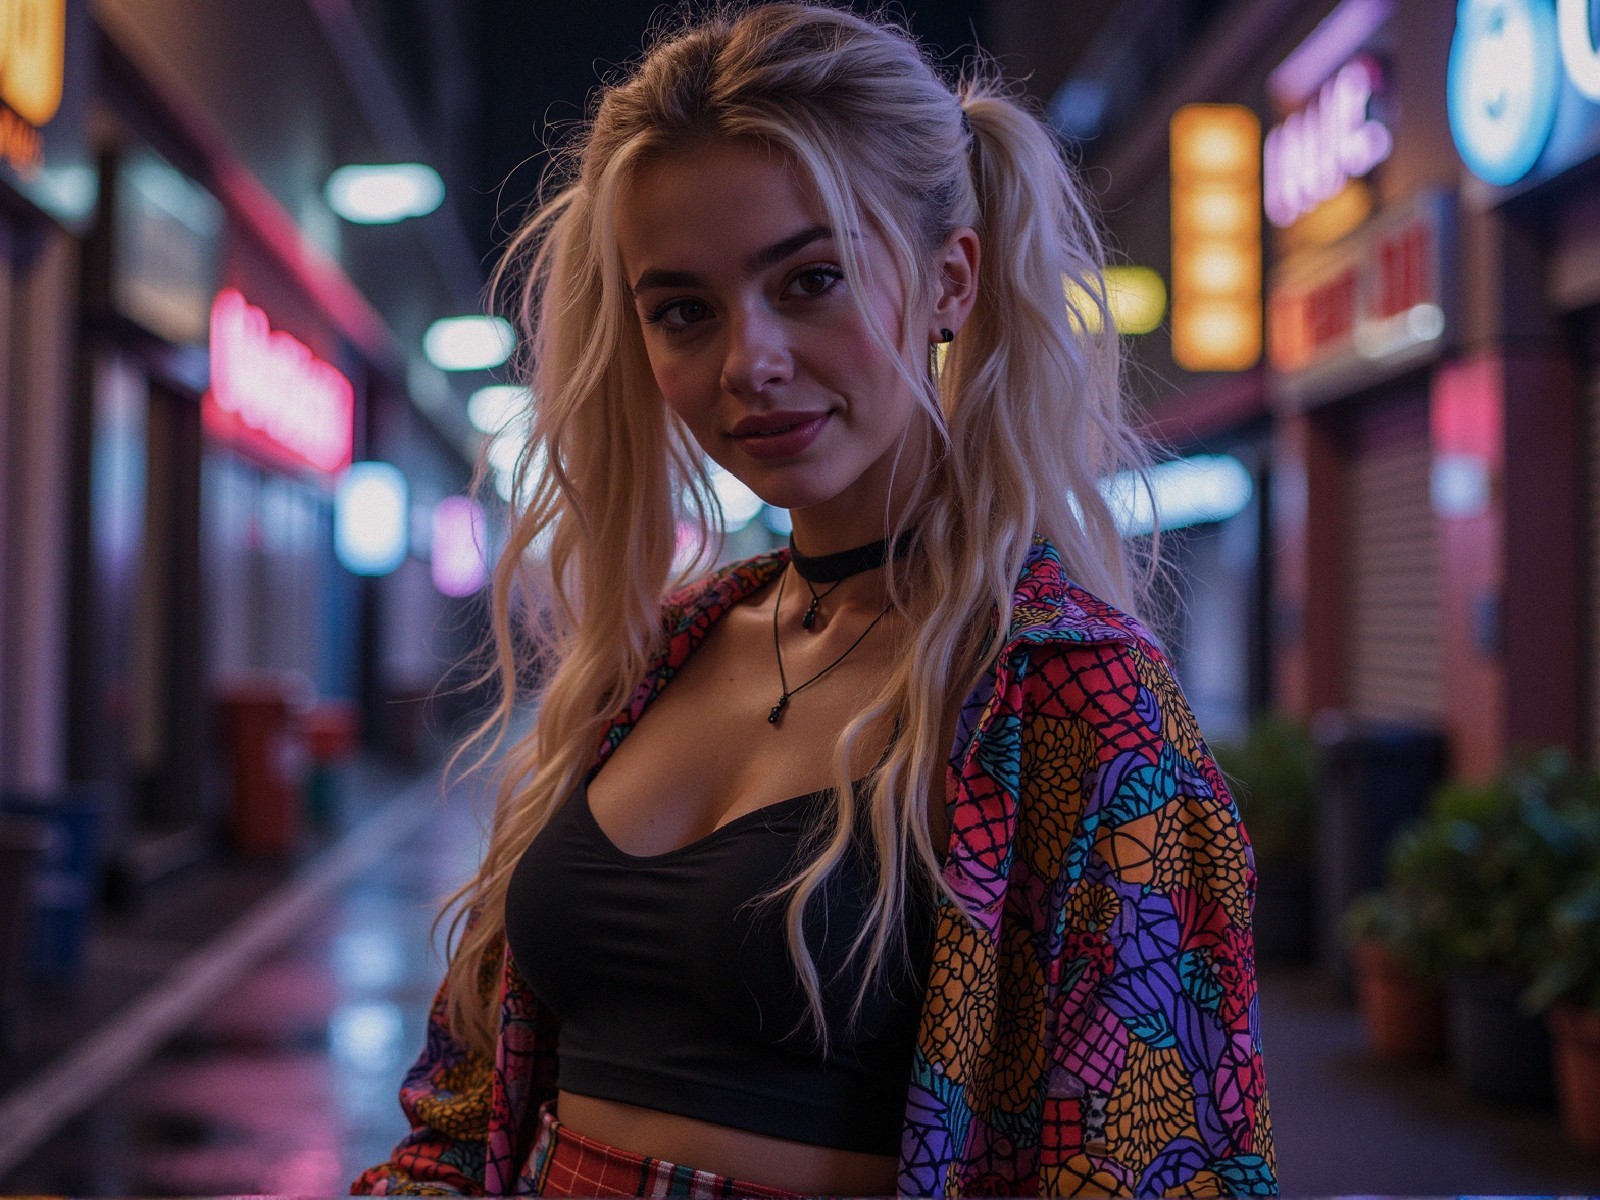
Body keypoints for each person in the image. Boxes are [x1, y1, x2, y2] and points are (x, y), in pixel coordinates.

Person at [353, 3, 1275, 1196]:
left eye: (811, 279)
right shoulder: (649, 660)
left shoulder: (1072, 701)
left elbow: (1164, 1161)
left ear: (953, 279)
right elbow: (465, 1108)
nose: (751, 361)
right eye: (682, 309)